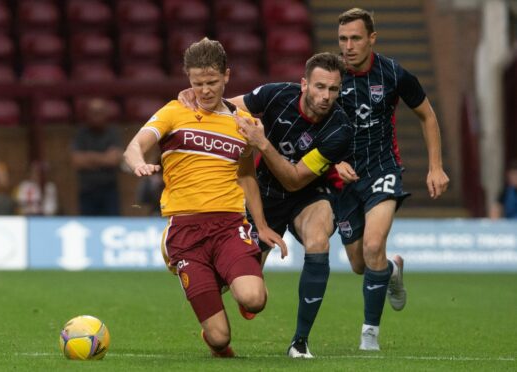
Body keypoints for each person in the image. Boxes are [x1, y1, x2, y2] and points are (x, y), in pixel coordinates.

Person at [179, 52, 355, 358]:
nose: (326, 96)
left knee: (317, 241)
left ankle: (300, 343)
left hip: (310, 194)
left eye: (333, 90)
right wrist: (196, 99)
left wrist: (262, 144)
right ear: (304, 84)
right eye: (319, 87)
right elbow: (227, 109)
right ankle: (197, 279)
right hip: (265, 195)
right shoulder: (276, 95)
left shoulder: (339, 129)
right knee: (242, 296)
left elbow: (295, 180)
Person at [123, 38, 287, 358]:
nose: (205, 90)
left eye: (212, 82)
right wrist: (138, 163)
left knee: (255, 299)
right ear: (188, 80)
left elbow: (246, 176)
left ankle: (224, 278)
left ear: (227, 76)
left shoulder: (243, 123)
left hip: (229, 225)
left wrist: (263, 226)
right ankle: (212, 323)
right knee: (219, 339)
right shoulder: (174, 111)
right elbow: (134, 145)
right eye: (197, 83)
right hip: (185, 231)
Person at [334, 8, 450, 350]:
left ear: (372, 38)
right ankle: (391, 269)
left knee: (372, 245)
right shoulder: (330, 73)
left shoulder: (393, 73)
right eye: (343, 39)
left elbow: (427, 116)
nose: (349, 46)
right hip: (342, 179)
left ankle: (370, 333)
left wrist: (436, 166)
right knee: (360, 263)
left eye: (356, 38)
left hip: (383, 169)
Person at [71, 97, 122, 216]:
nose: (96, 116)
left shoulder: (112, 133)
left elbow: (114, 160)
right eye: (93, 113)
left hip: (109, 190)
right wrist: (104, 158)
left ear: (105, 114)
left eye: (100, 112)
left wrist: (89, 158)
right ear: (87, 114)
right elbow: (77, 161)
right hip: (87, 190)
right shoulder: (81, 134)